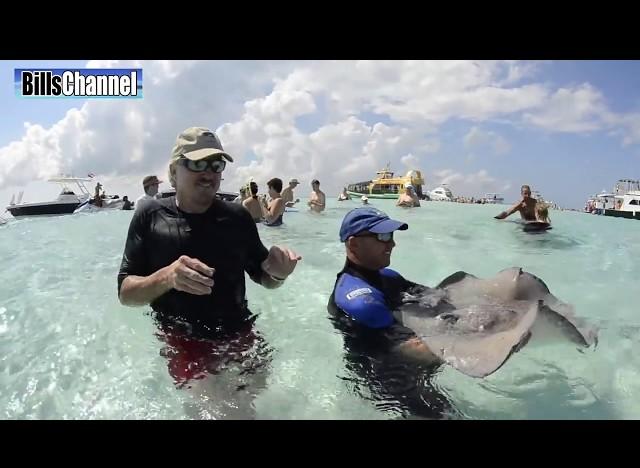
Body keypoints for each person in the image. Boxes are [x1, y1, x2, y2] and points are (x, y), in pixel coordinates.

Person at [118, 127, 301, 393]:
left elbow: (264, 277)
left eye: (216, 165)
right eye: (197, 163)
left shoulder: (237, 217)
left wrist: (279, 273)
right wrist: (167, 277)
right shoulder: (150, 216)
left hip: (240, 332)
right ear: (173, 171)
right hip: (183, 339)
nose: (209, 173)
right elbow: (125, 293)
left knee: (262, 398)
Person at [327, 207, 455, 419]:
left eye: (392, 235)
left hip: (414, 367)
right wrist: (482, 338)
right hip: (389, 380)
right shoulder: (359, 300)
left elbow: (439, 296)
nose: (392, 244)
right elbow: (410, 348)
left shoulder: (388, 277)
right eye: (383, 236)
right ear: (354, 244)